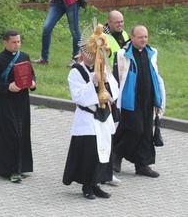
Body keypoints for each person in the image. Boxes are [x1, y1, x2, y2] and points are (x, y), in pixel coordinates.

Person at [62, 25, 120, 199]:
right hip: (88, 117)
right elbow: (78, 96)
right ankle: (86, 185)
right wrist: (93, 82)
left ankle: (97, 183)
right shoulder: (76, 72)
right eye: (90, 53)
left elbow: (115, 91)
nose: (93, 56)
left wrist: (107, 86)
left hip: (103, 117)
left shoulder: (103, 69)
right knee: (89, 153)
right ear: (83, 53)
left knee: (104, 151)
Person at [112, 25, 165, 178]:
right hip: (130, 99)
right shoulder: (123, 54)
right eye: (140, 37)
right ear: (132, 37)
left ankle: (142, 164)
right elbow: (117, 77)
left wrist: (157, 100)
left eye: (146, 37)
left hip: (148, 98)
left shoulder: (151, 53)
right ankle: (117, 153)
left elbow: (156, 77)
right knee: (135, 130)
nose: (144, 40)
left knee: (147, 132)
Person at [0, 29, 36, 183]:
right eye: (14, 42)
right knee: (10, 135)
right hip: (6, 102)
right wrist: (7, 87)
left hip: (22, 101)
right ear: (5, 42)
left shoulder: (24, 56)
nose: (17, 45)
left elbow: (31, 75)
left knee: (22, 133)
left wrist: (33, 84)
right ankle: (9, 169)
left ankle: (21, 167)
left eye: (19, 42)